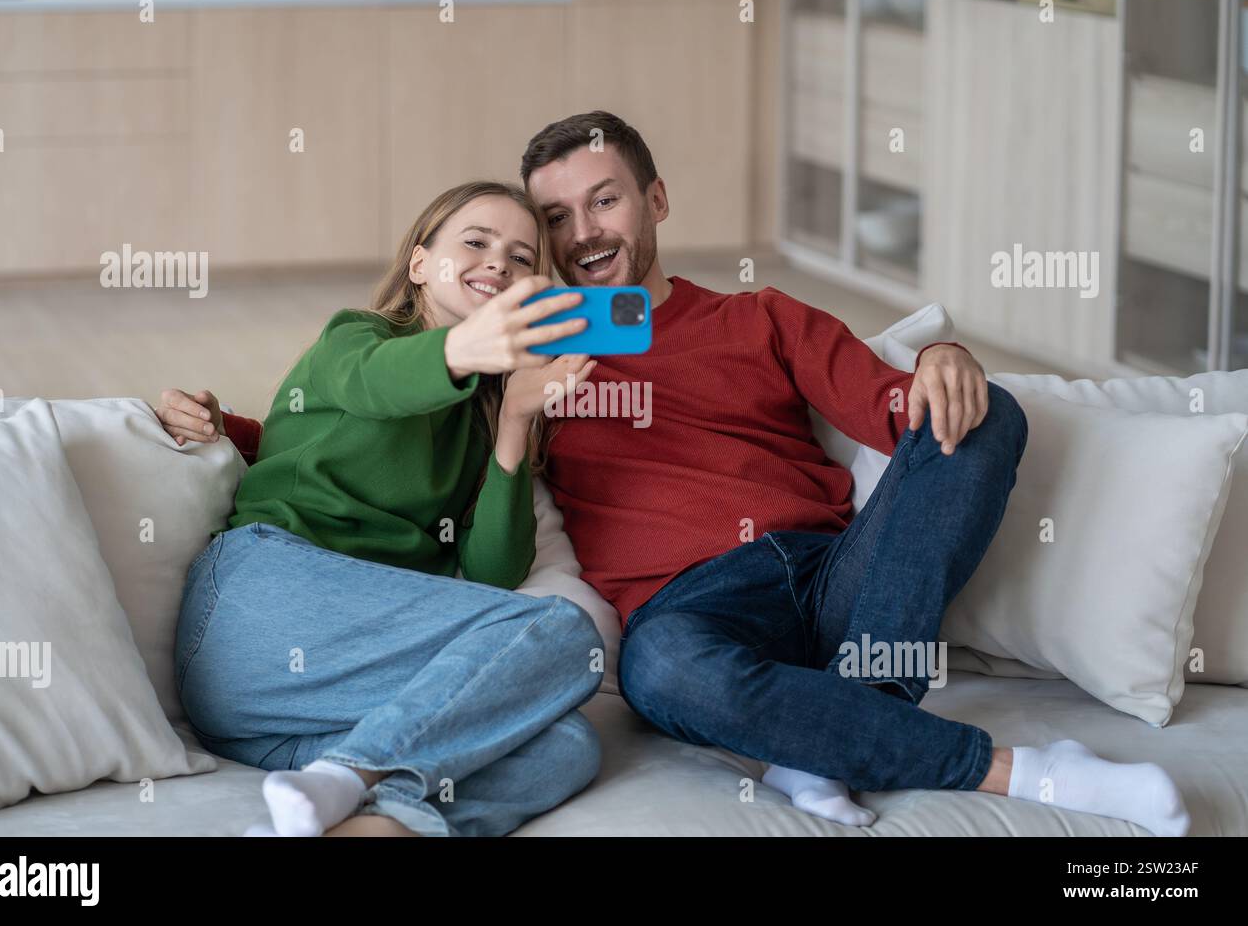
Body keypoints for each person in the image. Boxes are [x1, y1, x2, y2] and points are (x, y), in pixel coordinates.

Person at [167, 114, 1191, 837]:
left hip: (835, 574)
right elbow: (362, 402)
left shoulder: (757, 318)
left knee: (985, 418)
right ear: (427, 259)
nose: (582, 234)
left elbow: (897, 413)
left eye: (601, 200)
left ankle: (840, 727)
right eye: (551, 224)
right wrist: (235, 428)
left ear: (653, 197)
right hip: (689, 610)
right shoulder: (513, 358)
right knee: (646, 672)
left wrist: (938, 363)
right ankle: (931, 752)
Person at [161, 180, 605, 838]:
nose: (499, 264)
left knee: (567, 743)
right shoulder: (355, 340)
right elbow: (375, 384)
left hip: (307, 717)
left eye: (520, 258)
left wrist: (513, 420)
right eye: (476, 243)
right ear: (421, 265)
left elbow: (492, 576)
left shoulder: (476, 423)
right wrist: (461, 351)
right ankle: (349, 778)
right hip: (255, 615)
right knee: (565, 633)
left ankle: (373, 824)